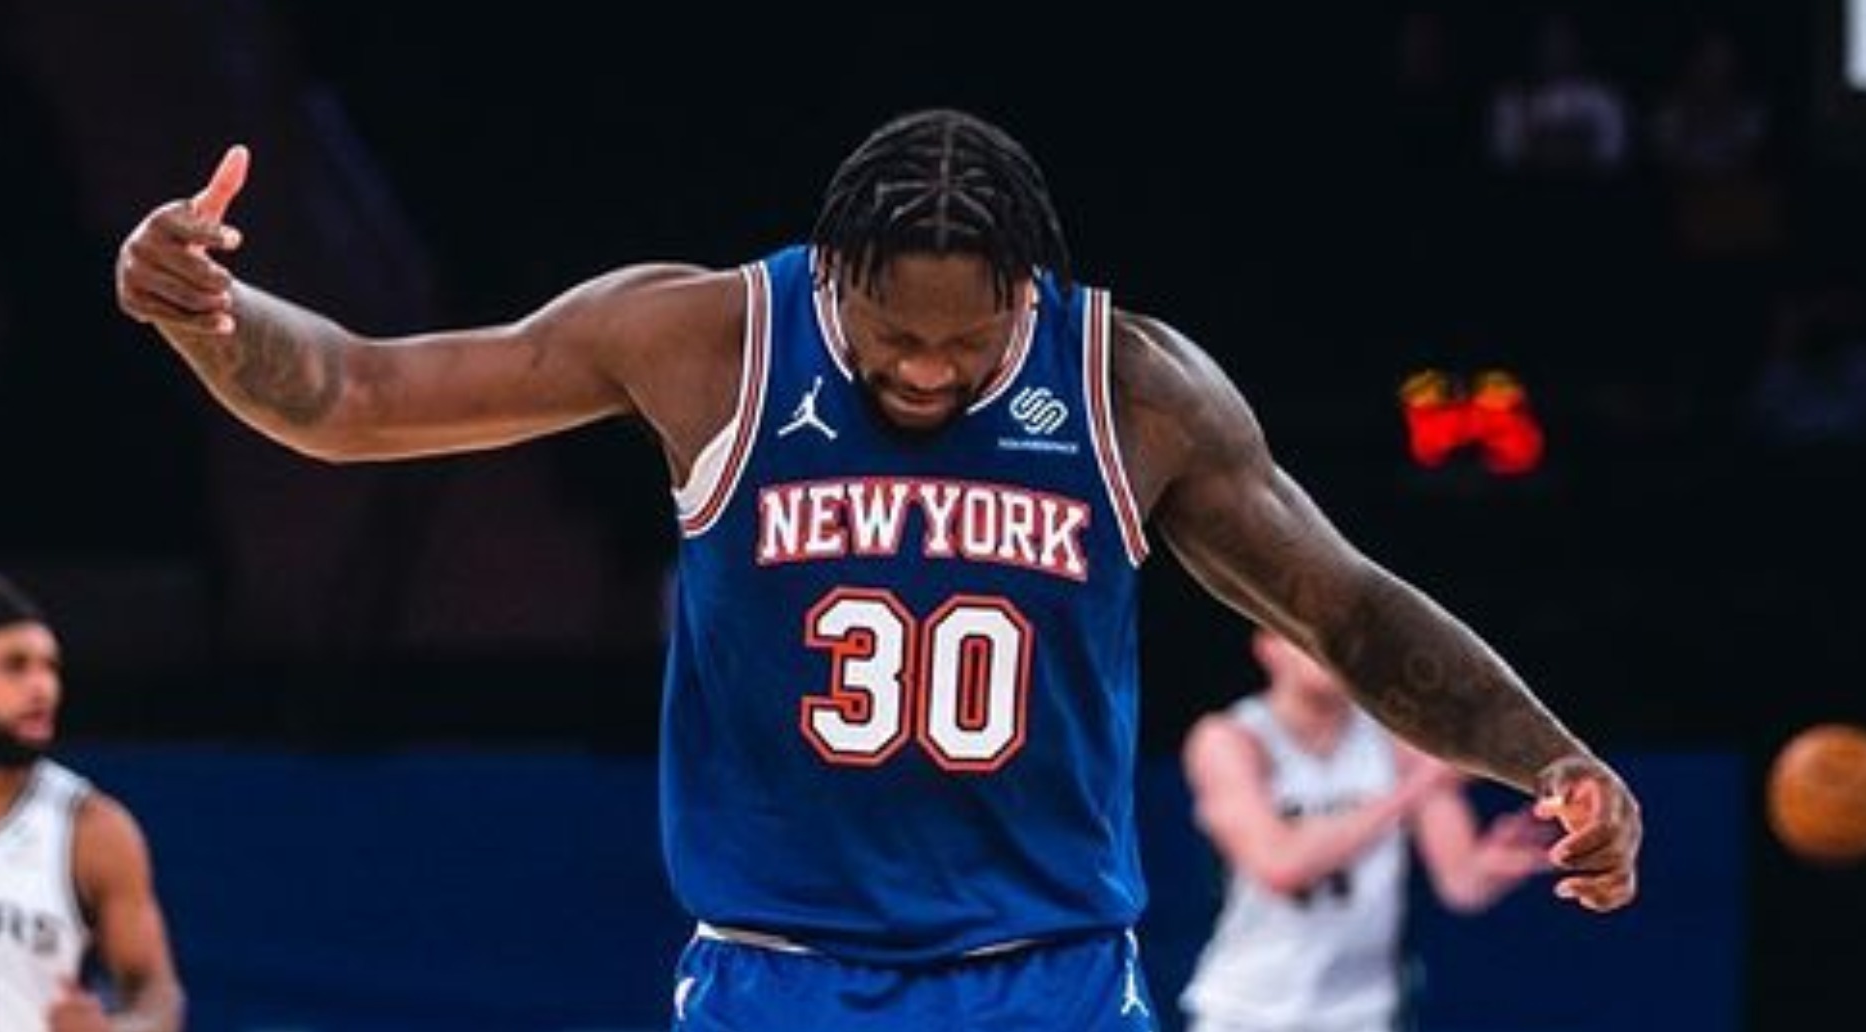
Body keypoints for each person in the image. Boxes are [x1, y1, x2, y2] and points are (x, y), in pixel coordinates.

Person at [111, 107, 1641, 1030]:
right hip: (776, 971)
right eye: (891, 333)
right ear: (830, 270)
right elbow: (363, 394)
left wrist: (1545, 754)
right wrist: (214, 320)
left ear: (1025, 290)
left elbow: (1343, 607)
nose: (923, 369)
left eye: (964, 342)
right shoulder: (706, 340)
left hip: (1045, 974)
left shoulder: (1130, 389)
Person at [1178, 628, 1553, 1032]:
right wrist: (1413, 789)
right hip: (1247, 1007)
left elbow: (1462, 885)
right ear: (1268, 648)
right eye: (1307, 634)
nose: (1331, 649)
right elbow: (1279, 866)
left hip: (1363, 1010)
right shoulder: (1232, 738)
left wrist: (1495, 864)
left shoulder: (1397, 739)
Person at [0, 571, 186, 1032]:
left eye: (51, 667)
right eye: (14, 666)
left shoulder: (91, 828)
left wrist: (120, 1030)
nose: (43, 687)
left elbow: (159, 997)